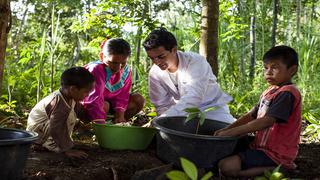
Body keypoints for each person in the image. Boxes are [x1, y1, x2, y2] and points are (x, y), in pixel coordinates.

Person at [215, 45, 301, 178]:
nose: (268, 72)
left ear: (292, 70)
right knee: (224, 152)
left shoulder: (288, 93)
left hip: (275, 153)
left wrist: (230, 133)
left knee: (226, 167)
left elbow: (266, 121)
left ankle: (280, 168)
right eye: (266, 67)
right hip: (260, 147)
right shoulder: (270, 91)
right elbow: (251, 115)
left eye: (275, 67)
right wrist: (226, 130)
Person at [143, 28, 234, 123]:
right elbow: (161, 105)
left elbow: (194, 96)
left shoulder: (196, 62)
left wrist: (165, 118)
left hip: (212, 109)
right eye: (152, 58)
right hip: (180, 113)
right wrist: (164, 123)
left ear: (174, 50)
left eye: (161, 57)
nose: (156, 62)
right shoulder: (155, 72)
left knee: (224, 133)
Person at [27, 67, 95, 158]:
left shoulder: (71, 97)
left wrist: (94, 118)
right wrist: (67, 150)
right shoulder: (58, 102)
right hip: (38, 137)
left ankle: (61, 144)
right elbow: (56, 127)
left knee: (70, 116)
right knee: (61, 120)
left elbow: (80, 111)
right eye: (86, 92)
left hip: (49, 131)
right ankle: (51, 145)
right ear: (73, 89)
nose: (87, 95)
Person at [82, 38, 145, 124]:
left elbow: (123, 95)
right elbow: (93, 99)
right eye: (113, 62)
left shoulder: (126, 71)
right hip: (90, 106)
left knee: (138, 99)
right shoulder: (96, 69)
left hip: (110, 106)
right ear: (102, 56)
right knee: (104, 105)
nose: (118, 68)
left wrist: (120, 114)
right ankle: (93, 126)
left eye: (123, 63)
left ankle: (117, 124)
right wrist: (100, 126)